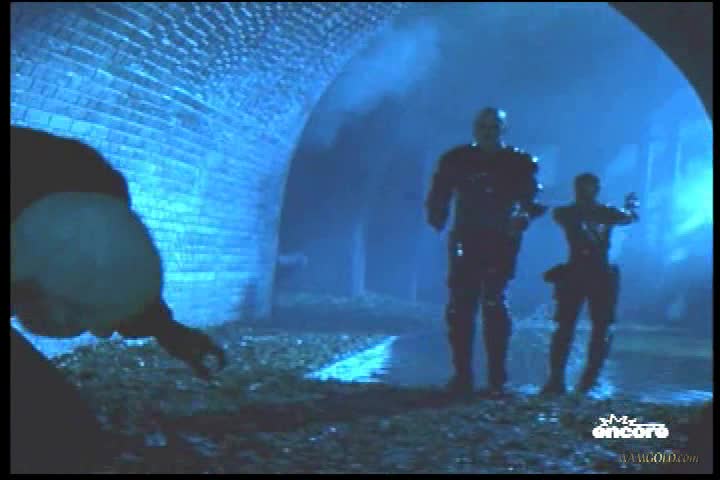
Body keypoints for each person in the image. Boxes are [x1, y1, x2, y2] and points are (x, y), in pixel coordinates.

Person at [10, 126, 226, 472]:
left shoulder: (90, 185)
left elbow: (106, 259)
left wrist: (163, 328)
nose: (100, 332)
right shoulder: (85, 189)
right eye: (77, 313)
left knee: (59, 434)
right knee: (52, 434)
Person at [425, 107, 547, 396]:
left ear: (503, 130)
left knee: (493, 302)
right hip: (466, 236)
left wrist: (523, 216)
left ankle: (496, 377)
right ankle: (463, 375)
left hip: (500, 240)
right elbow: (439, 192)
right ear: (475, 128)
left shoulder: (519, 162)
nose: (488, 132)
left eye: (493, 127)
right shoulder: (458, 159)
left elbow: (531, 198)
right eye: (483, 127)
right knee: (461, 305)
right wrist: (437, 214)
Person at [541, 173, 639, 395]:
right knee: (578, 327)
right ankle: (573, 380)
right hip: (589, 273)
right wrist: (631, 207)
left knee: (585, 327)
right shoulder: (595, 213)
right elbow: (628, 217)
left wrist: (629, 208)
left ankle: (576, 380)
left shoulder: (569, 213)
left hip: (587, 273)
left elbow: (627, 217)